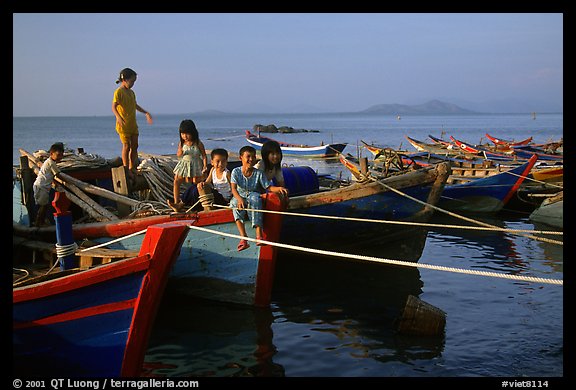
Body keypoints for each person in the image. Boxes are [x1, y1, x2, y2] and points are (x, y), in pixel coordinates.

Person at [230, 146, 288, 251]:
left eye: (253, 156)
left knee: (256, 199)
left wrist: (279, 188)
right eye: (248, 157)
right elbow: (233, 189)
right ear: (241, 158)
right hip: (240, 195)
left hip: (253, 194)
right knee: (234, 204)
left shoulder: (259, 173)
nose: (251, 159)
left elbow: (268, 187)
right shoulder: (236, 172)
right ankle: (243, 238)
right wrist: (239, 199)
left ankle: (259, 235)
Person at [111, 67, 153, 177]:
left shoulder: (131, 92)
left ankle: (132, 167)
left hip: (132, 124)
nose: (133, 84)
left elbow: (135, 105)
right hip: (123, 125)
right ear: (124, 79)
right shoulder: (118, 92)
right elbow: (114, 107)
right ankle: (126, 168)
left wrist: (146, 113)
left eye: (134, 82)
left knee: (135, 145)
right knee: (126, 146)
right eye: (132, 81)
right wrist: (118, 117)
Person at [168, 119, 208, 211]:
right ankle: (176, 202)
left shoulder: (198, 143)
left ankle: (201, 202)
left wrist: (205, 166)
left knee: (196, 183)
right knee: (177, 181)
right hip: (184, 165)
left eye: (187, 134)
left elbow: (204, 155)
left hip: (196, 165)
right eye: (182, 134)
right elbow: (178, 155)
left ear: (193, 132)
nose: (184, 136)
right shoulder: (182, 143)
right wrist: (180, 152)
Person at [33, 142, 64, 227]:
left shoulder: (50, 162)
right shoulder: (51, 163)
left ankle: (40, 222)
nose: (60, 157)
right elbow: (58, 175)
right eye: (58, 155)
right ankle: (38, 223)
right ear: (51, 154)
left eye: (61, 155)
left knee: (44, 206)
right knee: (43, 206)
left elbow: (51, 175)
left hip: (43, 187)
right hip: (41, 187)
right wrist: (66, 181)